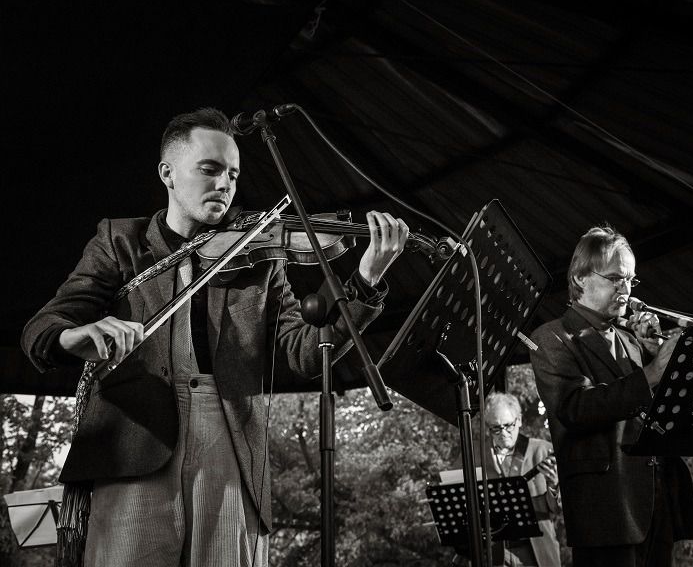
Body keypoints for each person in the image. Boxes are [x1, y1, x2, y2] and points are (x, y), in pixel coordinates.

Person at [21, 107, 409, 567]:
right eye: (209, 169)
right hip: (135, 441)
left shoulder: (261, 254)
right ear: (168, 172)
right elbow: (43, 327)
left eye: (233, 174)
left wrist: (363, 283)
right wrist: (76, 335)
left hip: (227, 436)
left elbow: (302, 353)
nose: (225, 183)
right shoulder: (121, 241)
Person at [527, 226, 693, 567]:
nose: (626, 290)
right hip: (606, 508)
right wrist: (651, 374)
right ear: (580, 278)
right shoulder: (552, 338)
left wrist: (654, 357)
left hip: (656, 502)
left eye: (631, 280)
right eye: (615, 278)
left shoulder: (629, 340)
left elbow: (654, 414)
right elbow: (575, 407)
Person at [483, 392, 561, 567]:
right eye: (496, 428)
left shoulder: (542, 451)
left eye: (508, 425)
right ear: (488, 427)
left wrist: (554, 485)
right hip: (496, 552)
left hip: (536, 549)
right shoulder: (479, 457)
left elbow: (556, 509)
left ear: (518, 420)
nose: (503, 433)